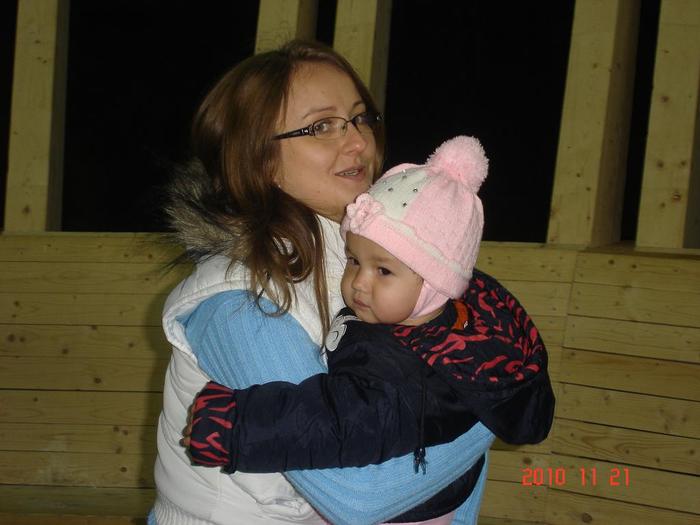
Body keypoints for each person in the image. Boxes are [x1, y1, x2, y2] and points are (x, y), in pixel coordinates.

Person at [149, 39, 521, 525]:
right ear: (260, 160)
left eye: (361, 117)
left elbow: (449, 481)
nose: (359, 143)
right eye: (322, 126)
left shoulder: (369, 274)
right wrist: (495, 394)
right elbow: (356, 495)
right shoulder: (241, 303)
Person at [184, 136, 555, 524]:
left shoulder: (410, 370)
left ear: (434, 284)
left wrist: (234, 424)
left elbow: (342, 421)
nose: (359, 282)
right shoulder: (428, 323)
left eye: (383, 270)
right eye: (353, 259)